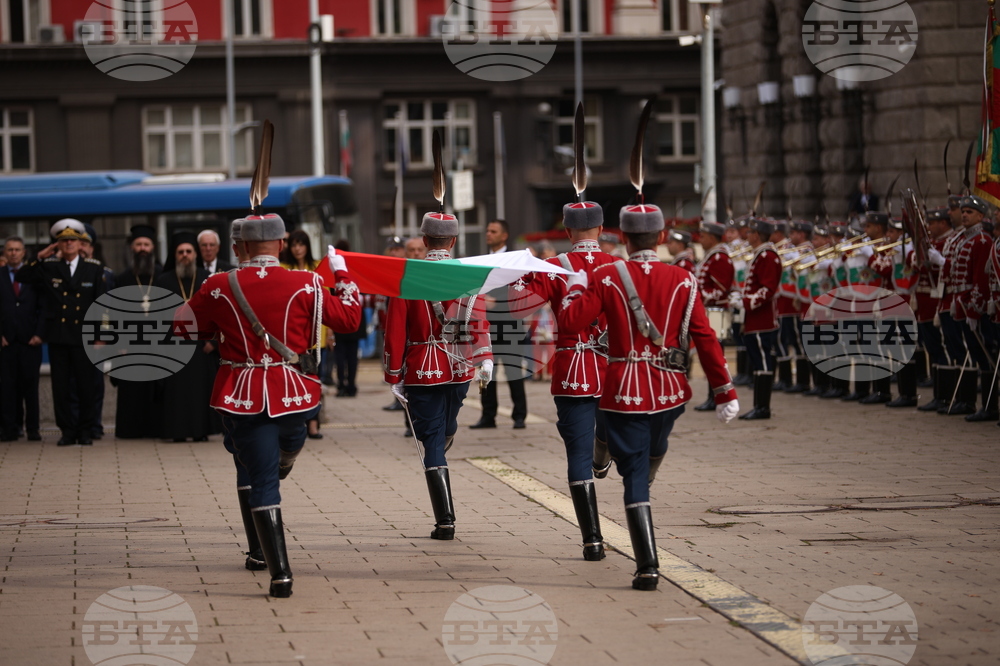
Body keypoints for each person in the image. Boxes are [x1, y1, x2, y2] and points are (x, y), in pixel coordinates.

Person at [558, 202, 739, 590]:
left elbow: (572, 321)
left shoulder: (606, 277)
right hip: (670, 388)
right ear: (659, 238)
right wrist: (724, 390)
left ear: (622, 238)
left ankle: (648, 567)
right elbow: (704, 337)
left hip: (623, 387)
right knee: (651, 454)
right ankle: (634, 468)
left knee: (636, 475)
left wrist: (575, 287)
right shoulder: (683, 278)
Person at [181, 213, 361, 597]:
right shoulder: (308, 281)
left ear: (239, 247)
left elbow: (183, 327)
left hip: (240, 392)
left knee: (257, 473)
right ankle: (269, 555)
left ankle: (279, 573)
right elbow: (348, 319)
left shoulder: (218, 284)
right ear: (280, 245)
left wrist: (217, 323)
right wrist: (344, 276)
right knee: (278, 455)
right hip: (293, 389)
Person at [508, 200, 619, 561]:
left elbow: (517, 306)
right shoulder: (621, 266)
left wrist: (524, 271)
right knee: (614, 433)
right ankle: (604, 446)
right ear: (601, 230)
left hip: (573, 367)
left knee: (576, 455)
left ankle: (592, 541)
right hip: (615, 368)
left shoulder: (555, 266)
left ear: (568, 232)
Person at [383, 211, 493, 540]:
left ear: (425, 240)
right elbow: (479, 322)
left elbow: (395, 330)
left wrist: (393, 374)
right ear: (454, 241)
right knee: (445, 427)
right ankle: (448, 430)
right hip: (459, 365)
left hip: (421, 368)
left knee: (431, 440)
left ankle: (445, 520)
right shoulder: (470, 275)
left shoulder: (406, 277)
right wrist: (485, 358)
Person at [16, 219, 107, 446]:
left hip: (84, 336)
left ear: (80, 244)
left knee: (86, 385)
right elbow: (22, 276)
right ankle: (67, 430)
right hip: (59, 335)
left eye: (73, 240)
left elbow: (102, 304)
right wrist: (41, 255)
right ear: (58, 244)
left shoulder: (93, 268)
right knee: (61, 387)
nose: (68, 244)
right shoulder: (49, 267)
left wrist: (101, 335)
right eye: (63, 241)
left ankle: (85, 430)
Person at [155, 232, 220, 442]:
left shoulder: (207, 279)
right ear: (175, 255)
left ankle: (201, 431)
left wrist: (213, 341)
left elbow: (219, 312)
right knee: (178, 393)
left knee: (201, 390)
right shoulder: (164, 280)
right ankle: (178, 431)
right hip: (174, 346)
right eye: (180, 252)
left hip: (202, 347)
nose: (185, 255)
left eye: (189, 251)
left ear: (195, 254)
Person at [472, 219, 528, 429]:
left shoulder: (514, 260)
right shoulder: (483, 259)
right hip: (486, 325)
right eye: (487, 230)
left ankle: (519, 416)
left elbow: (522, 287)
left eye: (493, 231)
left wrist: (499, 300)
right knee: (486, 372)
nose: (488, 234)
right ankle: (488, 416)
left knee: (514, 372)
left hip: (510, 323)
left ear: (504, 235)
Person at [112, 225, 163, 439]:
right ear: (132, 248)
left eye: (146, 245)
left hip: (158, 344)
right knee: (131, 390)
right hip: (130, 345)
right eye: (138, 244)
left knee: (155, 389)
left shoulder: (163, 276)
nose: (142, 248)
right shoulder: (122, 278)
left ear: (153, 248)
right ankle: (130, 430)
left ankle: (156, 429)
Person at [949, 195, 996, 421]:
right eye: (963, 211)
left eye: (969, 212)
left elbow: (980, 279)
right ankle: (980, 403)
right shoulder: (963, 239)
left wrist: (975, 309)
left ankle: (990, 405)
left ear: (980, 216)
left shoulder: (982, 241)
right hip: (963, 303)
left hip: (973, 306)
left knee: (986, 355)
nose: (964, 215)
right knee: (977, 354)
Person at [279, 230, 329, 436]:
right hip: (293, 333)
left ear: (308, 246)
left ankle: (314, 423)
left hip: (318, 333)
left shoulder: (318, 267)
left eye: (301, 244)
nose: (298, 248)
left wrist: (332, 332)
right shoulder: (283, 269)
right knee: (294, 378)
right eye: (294, 244)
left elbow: (328, 300)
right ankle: (297, 421)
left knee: (316, 378)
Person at [738, 218, 782, 420]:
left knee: (763, 364)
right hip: (754, 320)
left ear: (756, 234)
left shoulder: (767, 255)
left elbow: (768, 289)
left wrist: (746, 302)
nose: (746, 236)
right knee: (758, 364)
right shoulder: (760, 254)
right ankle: (759, 405)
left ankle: (763, 407)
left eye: (749, 233)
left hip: (762, 320)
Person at [1, 237, 44, 441]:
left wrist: (39, 334)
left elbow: (43, 307)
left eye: (17, 249)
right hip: (6, 342)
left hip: (30, 341)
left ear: (24, 252)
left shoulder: (33, 276)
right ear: (4, 252)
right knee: (7, 388)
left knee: (30, 387)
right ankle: (10, 428)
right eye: (10, 249)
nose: (13, 253)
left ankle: (33, 429)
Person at [692, 221, 736, 411]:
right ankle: (713, 396)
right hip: (710, 311)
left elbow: (722, 290)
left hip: (717, 312)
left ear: (712, 237)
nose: (700, 240)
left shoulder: (719, 258)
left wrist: (699, 296)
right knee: (711, 354)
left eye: (703, 236)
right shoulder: (712, 256)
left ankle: (718, 396)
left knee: (715, 355)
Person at [329, 239, 366, 398]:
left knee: (340, 356)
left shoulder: (335, 274)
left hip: (339, 318)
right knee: (352, 356)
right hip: (356, 318)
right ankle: (351, 385)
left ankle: (341, 385)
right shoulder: (356, 271)